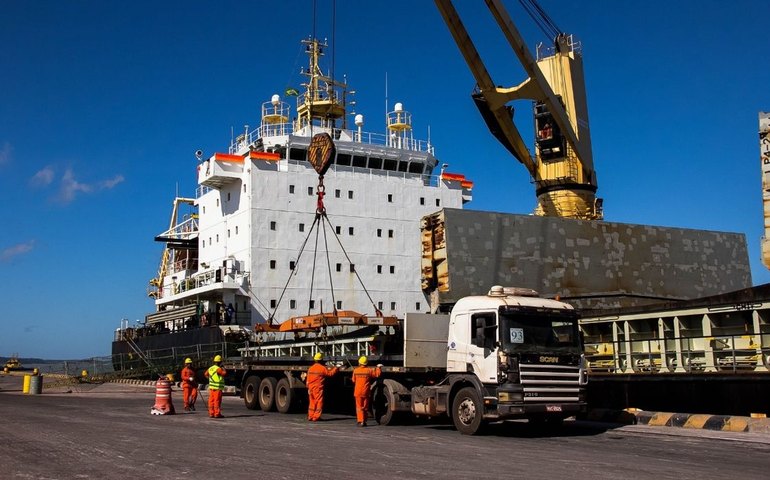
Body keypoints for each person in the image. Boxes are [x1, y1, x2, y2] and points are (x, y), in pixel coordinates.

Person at [306, 352, 339, 422]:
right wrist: (335, 368)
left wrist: (308, 387)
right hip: (318, 388)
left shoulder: (310, 368)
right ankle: (316, 417)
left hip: (310, 388)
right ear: (321, 360)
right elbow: (330, 374)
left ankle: (310, 416)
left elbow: (308, 379)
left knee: (312, 402)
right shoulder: (322, 368)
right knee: (319, 402)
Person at [351, 356, 382, 427]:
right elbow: (377, 374)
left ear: (359, 363)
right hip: (366, 392)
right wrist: (378, 368)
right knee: (365, 407)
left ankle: (361, 421)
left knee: (359, 407)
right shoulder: (369, 370)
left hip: (358, 392)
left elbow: (353, 380)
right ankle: (364, 421)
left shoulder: (356, 370)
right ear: (366, 363)